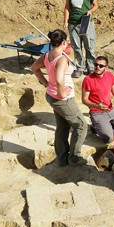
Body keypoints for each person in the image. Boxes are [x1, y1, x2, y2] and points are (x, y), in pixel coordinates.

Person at [31, 29, 87, 167]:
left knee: (62, 127)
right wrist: (62, 93)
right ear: (64, 42)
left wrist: (46, 84)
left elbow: (34, 68)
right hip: (63, 99)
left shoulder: (47, 55)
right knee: (81, 126)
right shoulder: (61, 59)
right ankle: (74, 157)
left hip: (51, 95)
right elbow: (59, 80)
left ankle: (62, 159)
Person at [81, 56, 114, 143]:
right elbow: (84, 100)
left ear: (105, 68)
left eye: (101, 66)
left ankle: (108, 125)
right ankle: (94, 126)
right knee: (109, 139)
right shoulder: (88, 79)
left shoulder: (109, 75)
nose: (97, 67)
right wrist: (97, 106)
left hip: (111, 110)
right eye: (96, 65)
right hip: (97, 113)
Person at [63, 0, 98, 78]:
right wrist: (65, 21)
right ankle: (79, 67)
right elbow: (67, 8)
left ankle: (91, 67)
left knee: (89, 46)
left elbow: (96, 5)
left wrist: (90, 11)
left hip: (86, 23)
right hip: (73, 24)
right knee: (76, 47)